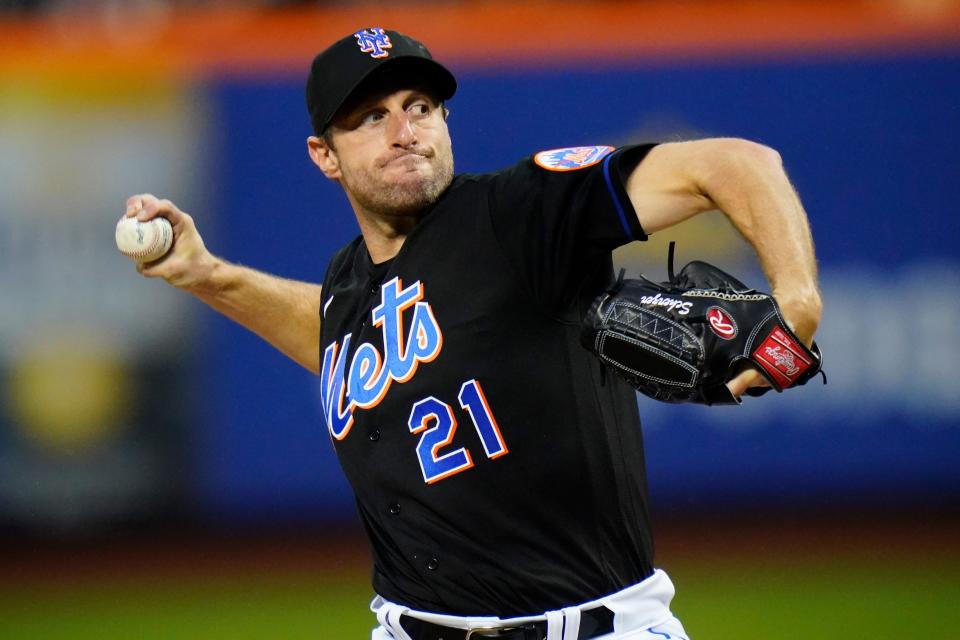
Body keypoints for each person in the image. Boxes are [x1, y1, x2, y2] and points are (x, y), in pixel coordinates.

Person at [124, 27, 821, 640]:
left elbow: (736, 164)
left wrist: (797, 300)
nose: (405, 131)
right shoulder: (350, 279)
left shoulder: (520, 214)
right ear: (324, 155)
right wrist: (205, 274)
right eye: (370, 117)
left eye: (419, 108)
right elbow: (337, 335)